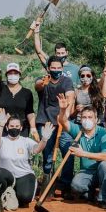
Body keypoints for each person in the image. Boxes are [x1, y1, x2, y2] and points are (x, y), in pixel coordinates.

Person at [55, 95, 106, 206]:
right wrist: (63, 110)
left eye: (90, 117)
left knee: (105, 166)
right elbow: (63, 122)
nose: (87, 120)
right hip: (87, 172)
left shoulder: (104, 133)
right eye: (84, 117)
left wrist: (83, 154)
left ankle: (103, 197)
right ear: (80, 119)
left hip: (102, 170)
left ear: (96, 120)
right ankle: (90, 192)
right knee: (76, 185)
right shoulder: (79, 130)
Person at [0, 113, 55, 208]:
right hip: (7, 176)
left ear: (21, 128)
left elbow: (37, 149)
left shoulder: (26, 141)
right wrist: (1, 125)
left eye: (17, 126)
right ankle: (2, 195)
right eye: (12, 126)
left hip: (24, 174)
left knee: (25, 199)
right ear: (7, 127)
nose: (14, 128)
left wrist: (44, 139)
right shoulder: (2, 140)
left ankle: (15, 192)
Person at [35, 56, 75, 185]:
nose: (56, 70)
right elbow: (38, 86)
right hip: (45, 121)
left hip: (62, 122)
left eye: (59, 68)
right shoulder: (43, 80)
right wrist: (42, 83)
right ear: (48, 68)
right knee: (47, 155)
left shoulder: (66, 81)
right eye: (53, 68)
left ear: (62, 68)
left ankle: (65, 183)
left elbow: (70, 97)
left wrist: (65, 115)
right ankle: (48, 182)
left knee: (68, 152)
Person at [0, 62, 37, 138]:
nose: (13, 75)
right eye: (10, 73)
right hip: (3, 128)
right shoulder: (0, 89)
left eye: (15, 73)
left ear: (19, 75)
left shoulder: (27, 92)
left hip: (21, 129)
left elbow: (30, 112)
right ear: (6, 75)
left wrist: (33, 128)